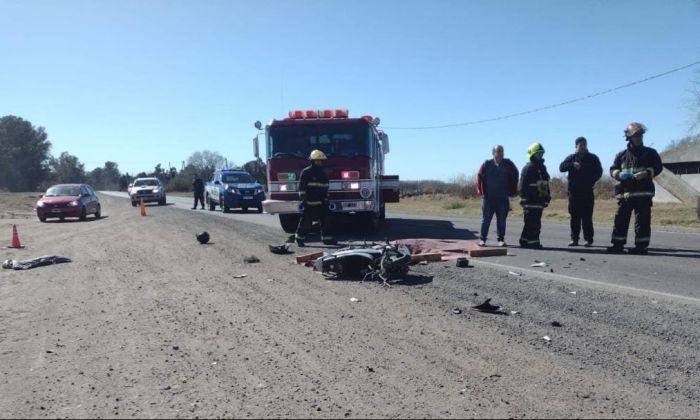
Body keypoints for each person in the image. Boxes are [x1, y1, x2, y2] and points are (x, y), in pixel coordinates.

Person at [606, 122, 663, 255]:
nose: (639, 138)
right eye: (636, 136)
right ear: (629, 137)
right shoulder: (621, 155)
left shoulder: (650, 153)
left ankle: (641, 247)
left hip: (643, 194)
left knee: (642, 222)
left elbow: (658, 167)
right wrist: (619, 174)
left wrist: (647, 173)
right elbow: (612, 169)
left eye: (640, 135)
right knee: (620, 220)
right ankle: (617, 245)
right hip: (626, 194)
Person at [559, 137, 603, 247]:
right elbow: (561, 167)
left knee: (587, 217)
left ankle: (589, 239)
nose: (583, 147)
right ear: (576, 146)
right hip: (574, 193)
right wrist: (572, 165)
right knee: (575, 217)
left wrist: (591, 180)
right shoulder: (571, 158)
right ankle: (574, 239)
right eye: (580, 145)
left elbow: (599, 171)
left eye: (584, 145)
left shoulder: (593, 158)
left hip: (587, 192)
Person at [476, 145, 519, 247]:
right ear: (493, 153)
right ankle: (482, 239)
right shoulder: (487, 164)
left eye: (502, 151)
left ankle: (501, 239)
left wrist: (512, 189)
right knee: (486, 219)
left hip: (502, 198)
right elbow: (479, 176)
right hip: (488, 198)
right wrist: (479, 189)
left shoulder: (508, 164)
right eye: (498, 151)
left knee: (501, 220)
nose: (500, 154)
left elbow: (516, 173)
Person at [295, 150, 335, 246]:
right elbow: (302, 187)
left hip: (321, 202)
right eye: (318, 160)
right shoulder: (306, 172)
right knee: (306, 222)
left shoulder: (323, 173)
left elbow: (325, 187)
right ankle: (299, 239)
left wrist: (326, 199)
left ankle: (327, 239)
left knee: (326, 221)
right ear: (312, 161)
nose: (320, 162)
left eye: (321, 161)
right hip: (309, 202)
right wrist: (304, 199)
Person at [518, 142, 551, 249]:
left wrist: (547, 198)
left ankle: (524, 240)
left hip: (539, 201)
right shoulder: (528, 168)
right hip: (530, 200)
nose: (540, 156)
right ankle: (533, 243)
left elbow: (545, 184)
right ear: (532, 154)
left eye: (541, 154)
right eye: (538, 154)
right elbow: (522, 185)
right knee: (533, 223)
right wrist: (523, 199)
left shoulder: (542, 168)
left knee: (532, 222)